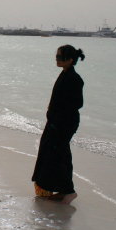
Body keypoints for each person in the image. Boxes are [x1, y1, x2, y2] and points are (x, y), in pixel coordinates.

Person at [32, 45, 85, 204]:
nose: (57, 59)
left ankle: (68, 191)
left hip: (64, 124)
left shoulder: (75, 79)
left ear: (70, 60)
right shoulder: (65, 74)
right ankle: (62, 190)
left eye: (60, 57)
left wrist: (57, 120)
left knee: (59, 155)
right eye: (56, 56)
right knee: (51, 153)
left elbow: (77, 103)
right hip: (56, 122)